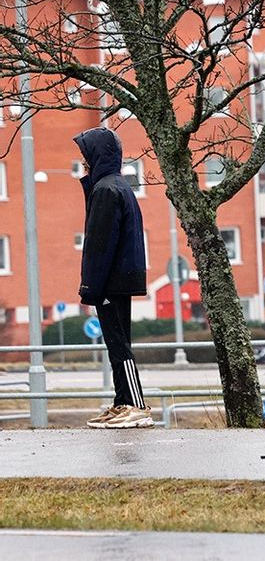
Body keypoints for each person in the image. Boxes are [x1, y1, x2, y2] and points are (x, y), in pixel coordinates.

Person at [74, 127, 152, 429]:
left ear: (97, 156)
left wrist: (90, 286)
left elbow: (99, 244)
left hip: (111, 280)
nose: (83, 164)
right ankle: (123, 402)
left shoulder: (106, 189)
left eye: (86, 157)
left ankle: (135, 405)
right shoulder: (114, 185)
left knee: (119, 344)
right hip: (118, 277)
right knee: (116, 342)